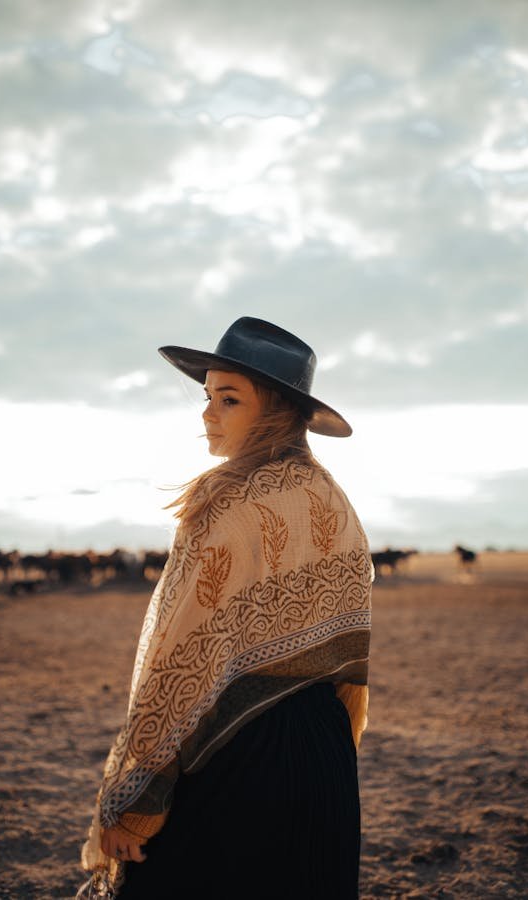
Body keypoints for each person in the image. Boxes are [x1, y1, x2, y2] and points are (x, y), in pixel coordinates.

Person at [78, 317, 373, 900]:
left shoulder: (225, 499)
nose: (207, 413)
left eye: (229, 398)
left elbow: (177, 658)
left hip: (235, 757)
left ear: (279, 410)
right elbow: (349, 658)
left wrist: (134, 800)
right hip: (325, 759)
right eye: (209, 396)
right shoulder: (334, 500)